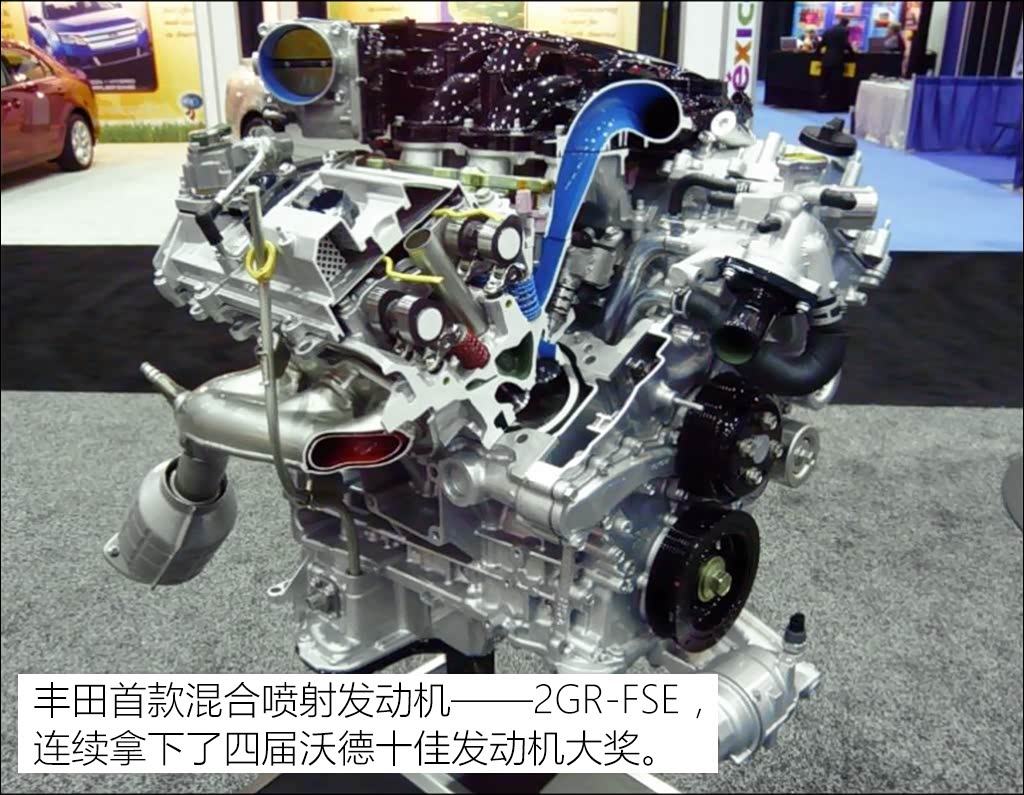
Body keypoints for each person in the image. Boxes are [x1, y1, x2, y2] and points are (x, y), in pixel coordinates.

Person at [817, 17, 854, 110]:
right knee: (835, 83)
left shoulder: (829, 30)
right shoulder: (844, 31)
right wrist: (852, 53)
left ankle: (820, 104)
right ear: (847, 23)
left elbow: (821, 45)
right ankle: (832, 105)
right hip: (838, 60)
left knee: (823, 83)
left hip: (826, 60)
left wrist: (818, 55)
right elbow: (846, 44)